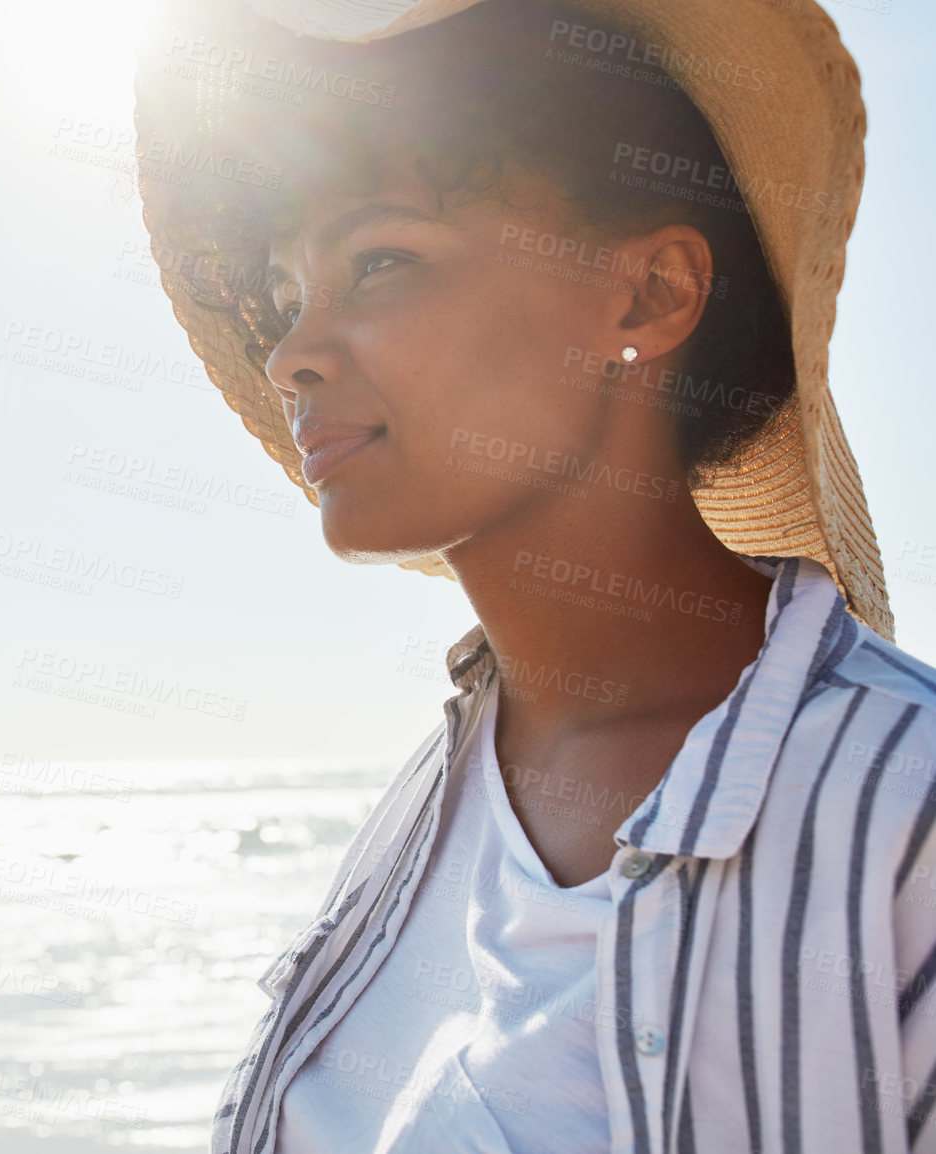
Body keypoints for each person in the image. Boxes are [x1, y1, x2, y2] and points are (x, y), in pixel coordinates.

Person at [131, 0, 936, 1150]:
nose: (292, 351)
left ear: (649, 293)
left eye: (380, 260)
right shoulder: (423, 814)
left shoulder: (904, 807)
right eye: (286, 290)